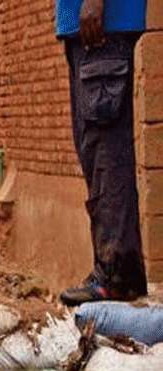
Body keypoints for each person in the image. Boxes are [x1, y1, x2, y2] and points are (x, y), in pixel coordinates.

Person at [57, 0, 148, 306]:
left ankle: (115, 277)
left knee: (106, 153)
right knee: (97, 152)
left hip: (101, 25)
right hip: (90, 28)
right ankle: (119, 275)